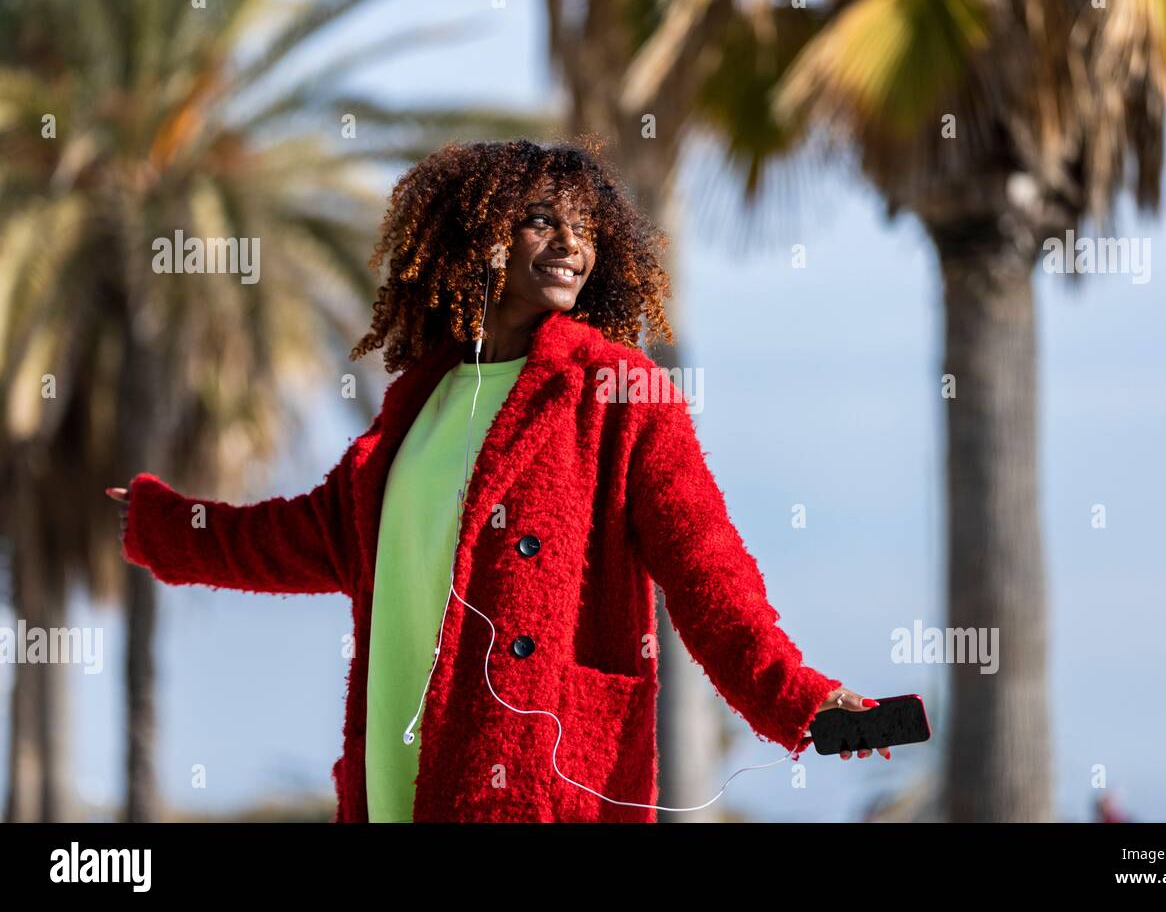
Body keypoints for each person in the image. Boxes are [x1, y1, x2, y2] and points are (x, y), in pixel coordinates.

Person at [108, 138, 888, 823]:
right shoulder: (419, 402)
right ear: (479, 236)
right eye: (544, 221)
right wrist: (166, 527)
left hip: (539, 780)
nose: (571, 245)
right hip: (397, 783)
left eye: (586, 229)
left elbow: (706, 568)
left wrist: (802, 700)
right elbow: (302, 537)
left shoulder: (616, 389)